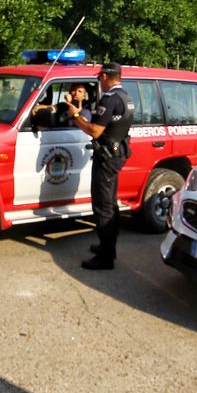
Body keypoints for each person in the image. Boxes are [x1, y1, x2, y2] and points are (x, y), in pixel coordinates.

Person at [71, 62, 134, 270]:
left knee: (103, 206)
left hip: (107, 157)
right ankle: (108, 247)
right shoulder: (126, 96)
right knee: (110, 204)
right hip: (116, 154)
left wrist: (75, 116)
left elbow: (95, 130)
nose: (99, 81)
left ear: (106, 77)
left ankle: (106, 258)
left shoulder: (110, 98)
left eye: (100, 78)